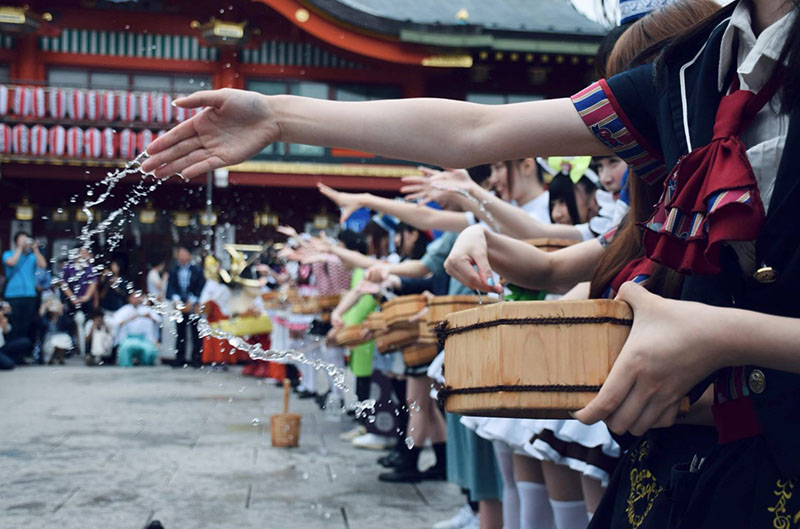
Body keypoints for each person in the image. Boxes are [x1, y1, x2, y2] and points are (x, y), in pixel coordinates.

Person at [142, 3, 800, 526]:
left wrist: (721, 337)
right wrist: (281, 114)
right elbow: (478, 130)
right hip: (686, 469)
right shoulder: (693, 67)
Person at [2, 232, 47, 343]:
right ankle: (12, 350)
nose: (25, 242)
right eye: (22, 240)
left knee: (26, 324)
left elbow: (43, 265)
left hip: (29, 295)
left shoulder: (31, 257)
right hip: (13, 295)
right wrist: (19, 248)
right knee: (14, 324)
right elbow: (12, 263)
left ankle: (22, 351)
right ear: (16, 242)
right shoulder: (8, 254)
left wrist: (35, 249)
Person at [166, 245, 205, 367]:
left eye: (183, 254)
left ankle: (196, 359)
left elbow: (201, 287)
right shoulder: (173, 270)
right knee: (180, 332)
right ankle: (179, 358)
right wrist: (176, 300)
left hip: (193, 305)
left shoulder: (197, 270)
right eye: (179, 254)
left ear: (189, 256)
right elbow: (171, 287)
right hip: (179, 305)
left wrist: (192, 300)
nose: (181, 257)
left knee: (195, 333)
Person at [59, 245, 98, 357]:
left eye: (86, 252)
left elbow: (93, 283)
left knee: (89, 323)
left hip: (86, 301)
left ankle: (88, 350)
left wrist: (86, 297)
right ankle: (70, 348)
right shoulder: (68, 267)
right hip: (71, 302)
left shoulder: (90, 267)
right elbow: (63, 284)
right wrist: (72, 297)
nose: (84, 254)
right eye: (82, 252)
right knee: (69, 323)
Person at [112, 291, 160, 367]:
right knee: (125, 348)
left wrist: (149, 317)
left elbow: (158, 320)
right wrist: (129, 319)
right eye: (134, 297)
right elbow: (116, 322)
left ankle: (145, 364)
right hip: (128, 338)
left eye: (138, 297)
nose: (136, 299)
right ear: (129, 298)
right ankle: (126, 365)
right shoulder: (125, 309)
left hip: (144, 339)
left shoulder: (146, 309)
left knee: (149, 350)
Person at [0, 299, 33, 369]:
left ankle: (11, 358)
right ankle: (5, 359)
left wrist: (3, 319)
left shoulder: (2, 319)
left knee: (25, 341)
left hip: (3, 346)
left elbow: (6, 330)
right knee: (9, 365)